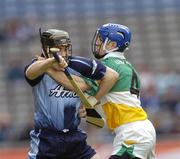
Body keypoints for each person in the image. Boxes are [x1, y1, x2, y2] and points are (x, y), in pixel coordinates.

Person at [55, 23, 156, 159]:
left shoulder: (109, 64)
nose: (97, 43)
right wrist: (93, 103)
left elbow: (78, 85)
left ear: (112, 44)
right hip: (140, 129)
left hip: (131, 133)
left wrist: (49, 69)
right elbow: (117, 97)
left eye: (101, 40)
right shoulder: (128, 67)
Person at [24, 28, 118, 159]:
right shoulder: (39, 66)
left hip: (74, 138)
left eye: (66, 48)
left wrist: (93, 100)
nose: (63, 53)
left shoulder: (78, 64)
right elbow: (29, 72)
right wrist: (52, 62)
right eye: (58, 50)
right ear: (46, 50)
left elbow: (112, 76)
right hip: (46, 140)